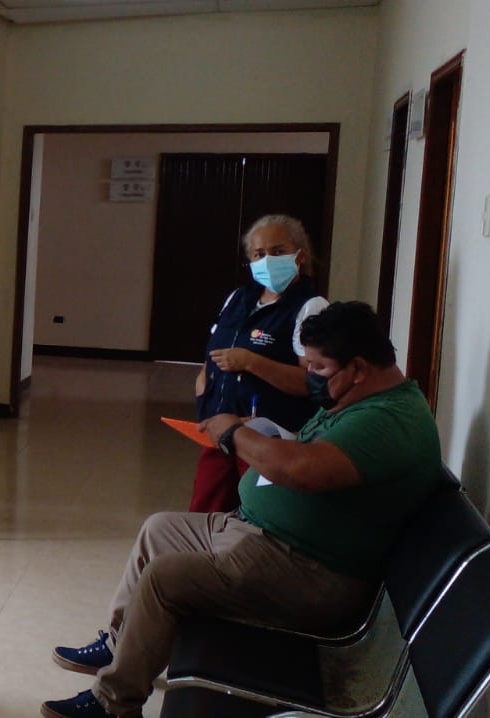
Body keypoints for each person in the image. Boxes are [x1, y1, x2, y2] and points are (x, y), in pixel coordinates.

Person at [42, 301, 443, 718]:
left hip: (309, 570)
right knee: (158, 529)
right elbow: (314, 455)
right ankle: (119, 646)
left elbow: (301, 470)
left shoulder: (388, 421)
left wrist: (233, 433)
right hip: (263, 534)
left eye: (319, 368)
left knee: (164, 579)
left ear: (358, 368)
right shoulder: (363, 402)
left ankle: (114, 704)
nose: (309, 376)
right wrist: (267, 438)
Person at [190, 214, 328, 513]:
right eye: (259, 254)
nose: (267, 260)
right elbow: (213, 352)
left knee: (257, 514)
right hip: (219, 430)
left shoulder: (310, 307)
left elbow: (313, 383)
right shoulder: (238, 299)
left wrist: (252, 362)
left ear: (300, 256)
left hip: (268, 440)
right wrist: (203, 390)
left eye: (277, 252)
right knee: (205, 511)